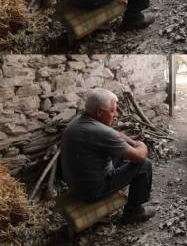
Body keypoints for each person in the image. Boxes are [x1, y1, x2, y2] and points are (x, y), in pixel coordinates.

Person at [60, 88, 156, 223]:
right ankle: (134, 212)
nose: (116, 114)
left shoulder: (81, 120)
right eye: (112, 111)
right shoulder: (100, 132)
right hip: (92, 191)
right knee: (144, 164)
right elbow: (139, 156)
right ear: (100, 112)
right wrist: (141, 145)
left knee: (122, 153)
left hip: (77, 185)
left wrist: (132, 142)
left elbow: (112, 133)